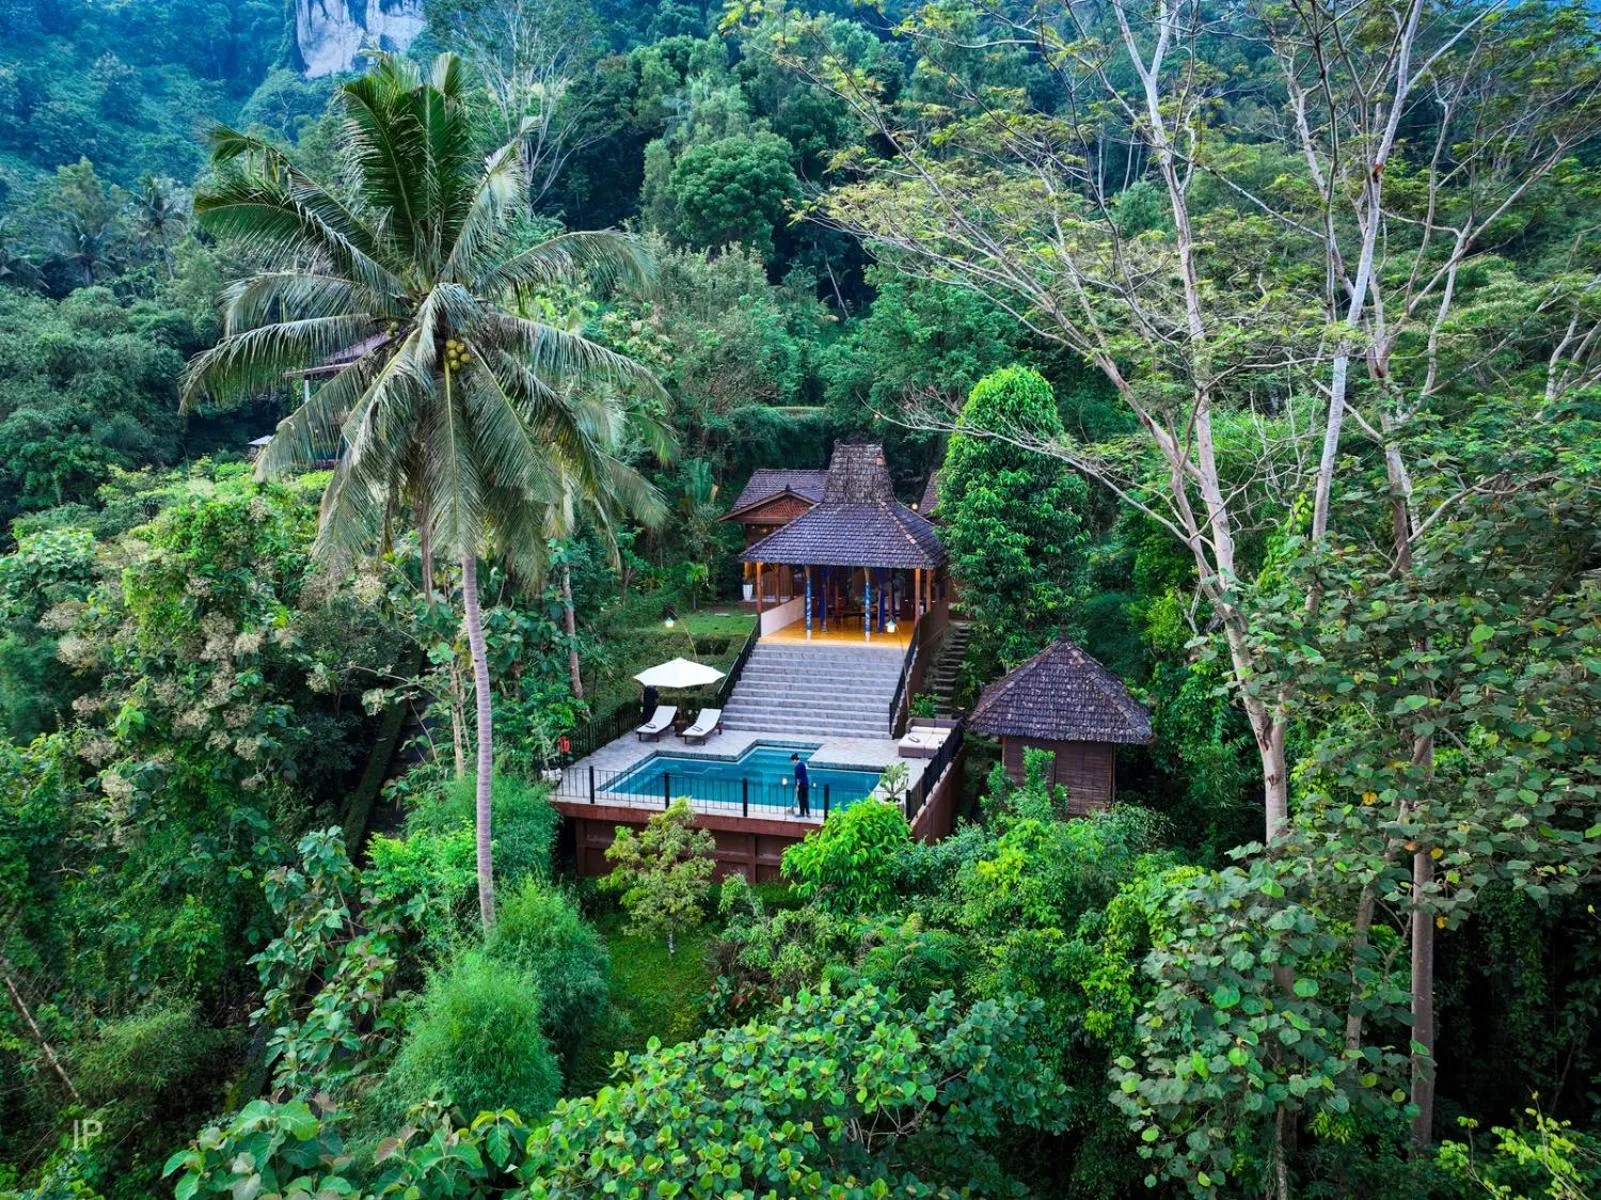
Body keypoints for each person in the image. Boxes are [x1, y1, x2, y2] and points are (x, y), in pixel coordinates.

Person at [791, 752, 810, 817]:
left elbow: (798, 778)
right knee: (805, 799)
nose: (792, 763)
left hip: (801, 785)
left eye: (792, 761)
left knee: (801, 799)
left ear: (795, 760)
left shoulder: (797, 767)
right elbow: (802, 775)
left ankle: (802, 813)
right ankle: (808, 813)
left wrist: (797, 786)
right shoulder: (802, 764)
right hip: (806, 784)